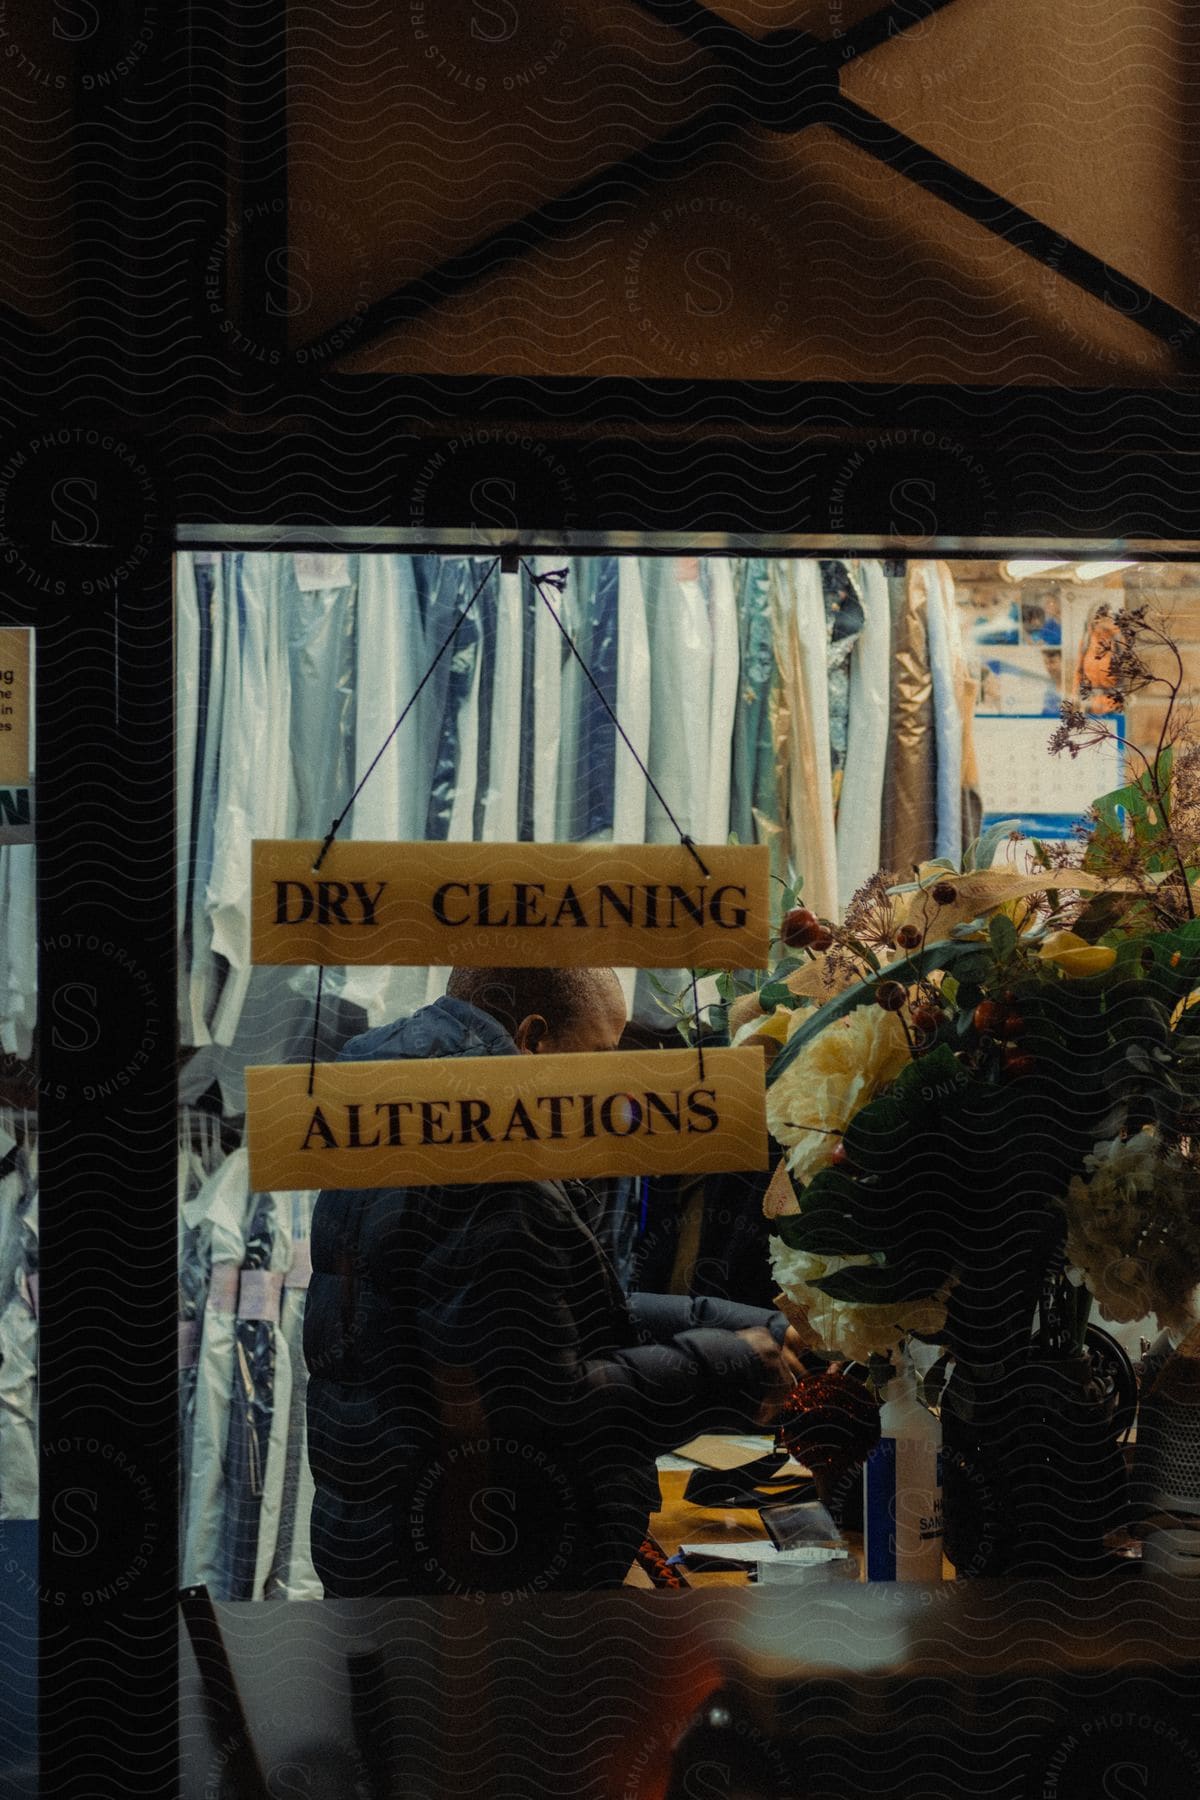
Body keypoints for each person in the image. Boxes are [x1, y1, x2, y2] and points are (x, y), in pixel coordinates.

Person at [304, 966, 810, 1597]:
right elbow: (541, 1409)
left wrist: (725, 1322)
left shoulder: (410, 1093)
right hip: (479, 1593)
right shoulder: (490, 1163)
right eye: (599, 1055)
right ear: (534, 1039)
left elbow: (546, 1317)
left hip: (407, 1551)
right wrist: (725, 1365)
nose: (609, 1080)